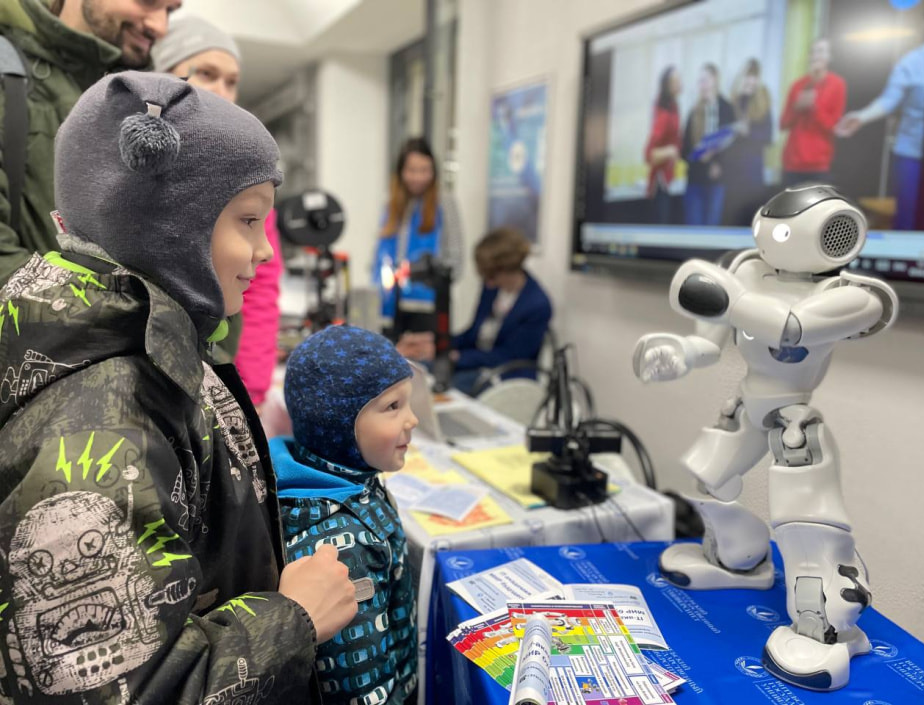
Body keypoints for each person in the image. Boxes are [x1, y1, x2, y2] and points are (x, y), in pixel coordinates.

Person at [0, 71, 357, 703]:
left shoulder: (153, 343)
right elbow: (121, 687)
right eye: (247, 220)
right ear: (166, 228)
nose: (266, 251)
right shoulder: (104, 423)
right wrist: (292, 618)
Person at [272, 325, 419, 705]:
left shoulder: (350, 483)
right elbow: (358, 680)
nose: (412, 420)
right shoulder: (345, 547)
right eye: (392, 407)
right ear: (338, 423)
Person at [0, 0, 181, 286]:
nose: (160, 26)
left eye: (170, 10)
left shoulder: (152, 105)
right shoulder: (7, 71)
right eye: (148, 1)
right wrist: (108, 316)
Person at [152, 14, 284, 404]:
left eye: (232, 81)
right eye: (207, 73)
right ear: (161, 75)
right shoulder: (131, 170)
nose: (222, 91)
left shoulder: (249, 175)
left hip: (215, 374)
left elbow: (261, 286)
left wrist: (251, 391)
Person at [835, 1, 924, 230]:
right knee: (909, 220)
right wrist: (861, 116)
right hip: (913, 156)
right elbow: (888, 101)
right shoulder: (912, 62)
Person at [374, 137, 463, 343]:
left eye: (425, 170)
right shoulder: (392, 204)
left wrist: (433, 274)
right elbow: (381, 252)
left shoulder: (444, 202)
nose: (418, 177)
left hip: (428, 306)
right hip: (392, 304)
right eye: (412, 170)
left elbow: (456, 257)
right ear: (401, 171)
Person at [450, 227, 552, 396]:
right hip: (478, 364)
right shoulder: (492, 289)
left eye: (492, 277)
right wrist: (441, 344)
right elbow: (473, 333)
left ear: (510, 269)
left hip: (507, 375)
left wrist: (459, 358)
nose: (489, 283)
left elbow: (510, 356)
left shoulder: (537, 305)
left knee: (451, 385)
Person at [780, 38, 846, 187]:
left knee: (817, 209)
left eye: (821, 51)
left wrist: (814, 107)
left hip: (819, 165)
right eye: (813, 52)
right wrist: (797, 108)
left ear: (830, 57)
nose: (816, 56)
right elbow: (783, 124)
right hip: (792, 163)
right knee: (790, 209)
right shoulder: (797, 85)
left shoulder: (837, 85)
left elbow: (834, 126)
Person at [681, 63, 736, 226]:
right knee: (693, 228)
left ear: (714, 80)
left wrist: (717, 163)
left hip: (717, 182)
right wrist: (699, 156)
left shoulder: (727, 109)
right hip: (695, 180)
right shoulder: (694, 112)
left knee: (712, 228)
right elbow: (684, 150)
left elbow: (733, 144)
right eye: (699, 81)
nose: (702, 85)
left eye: (705, 80)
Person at [723, 58, 774, 225]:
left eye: (754, 76)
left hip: (753, 173)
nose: (750, 80)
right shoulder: (732, 104)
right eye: (746, 76)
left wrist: (749, 132)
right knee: (732, 220)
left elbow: (768, 137)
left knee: (753, 220)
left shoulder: (763, 104)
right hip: (733, 175)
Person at [644, 65, 683, 224]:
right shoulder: (663, 114)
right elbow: (649, 154)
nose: (680, 83)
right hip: (660, 185)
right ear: (667, 85)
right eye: (676, 80)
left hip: (669, 181)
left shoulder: (674, 107)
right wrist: (670, 151)